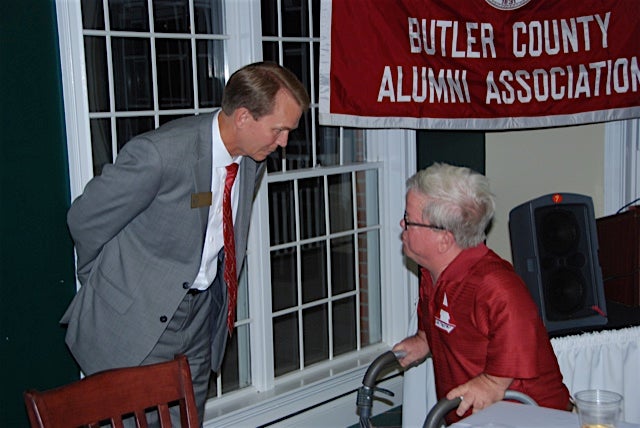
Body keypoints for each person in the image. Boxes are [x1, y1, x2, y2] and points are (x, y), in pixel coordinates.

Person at [61, 61, 310, 423]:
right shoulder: (160, 155)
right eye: (278, 129)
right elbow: (84, 218)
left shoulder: (253, 161)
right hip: (139, 321)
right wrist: (106, 285)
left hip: (199, 320)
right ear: (243, 116)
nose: (284, 142)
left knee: (185, 419)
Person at [393, 163, 571, 424]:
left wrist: (492, 382)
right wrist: (424, 339)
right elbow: (443, 321)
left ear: (444, 238)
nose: (401, 223)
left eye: (408, 219)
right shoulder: (431, 272)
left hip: (527, 418)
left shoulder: (496, 286)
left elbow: (517, 342)